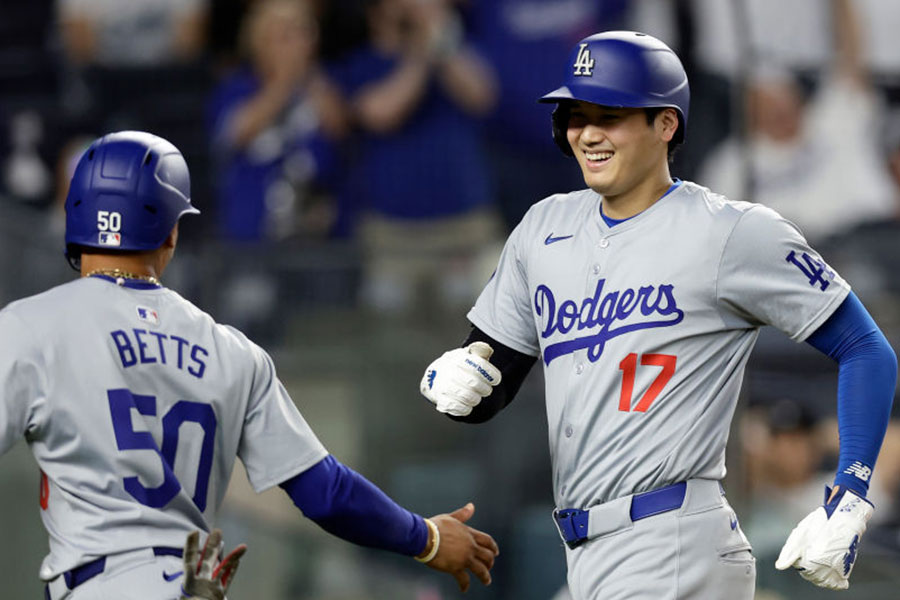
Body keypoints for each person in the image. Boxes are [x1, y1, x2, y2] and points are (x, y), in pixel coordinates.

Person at [419, 31, 897, 598]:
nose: (588, 133)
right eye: (575, 114)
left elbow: (866, 347)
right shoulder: (543, 228)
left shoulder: (729, 231)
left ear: (666, 124)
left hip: (673, 541)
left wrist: (850, 496)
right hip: (586, 549)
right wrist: (459, 379)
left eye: (611, 115)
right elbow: (491, 379)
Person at [0, 131, 498, 599]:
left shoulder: (31, 327)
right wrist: (426, 537)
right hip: (188, 580)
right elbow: (325, 492)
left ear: (74, 218)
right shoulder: (230, 350)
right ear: (172, 231)